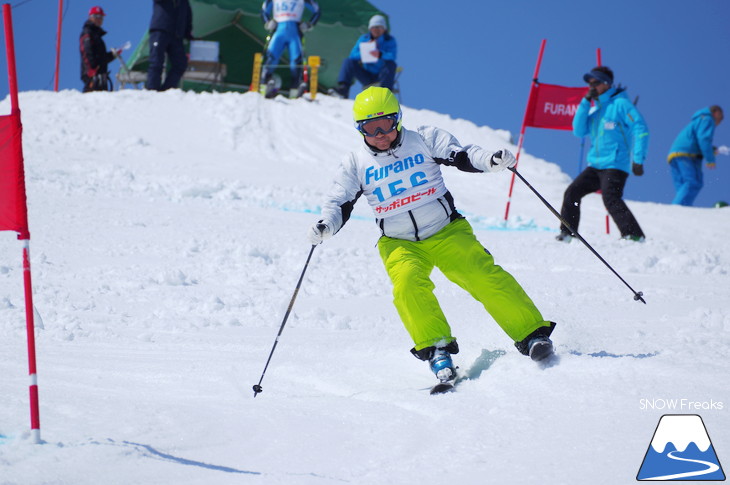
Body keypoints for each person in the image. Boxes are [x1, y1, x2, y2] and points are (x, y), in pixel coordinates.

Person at [307, 86, 557, 387]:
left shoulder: (423, 139)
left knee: (482, 274)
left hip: (446, 231)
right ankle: (437, 349)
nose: (380, 134)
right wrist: (326, 225)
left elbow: (462, 154)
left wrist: (490, 160)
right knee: (408, 287)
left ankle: (532, 334)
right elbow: (339, 203)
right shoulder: (356, 164)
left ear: (397, 120)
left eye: (385, 124)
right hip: (400, 243)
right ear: (359, 129)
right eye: (370, 128)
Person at [557, 66, 649, 243]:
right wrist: (585, 102)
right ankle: (568, 233)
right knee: (572, 192)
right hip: (595, 165)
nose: (592, 86)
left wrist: (638, 159)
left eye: (596, 82)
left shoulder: (621, 105)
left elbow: (641, 128)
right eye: (590, 83)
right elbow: (578, 130)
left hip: (615, 164)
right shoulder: (596, 109)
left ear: (606, 84)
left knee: (610, 197)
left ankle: (634, 235)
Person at [260, 0, 321, 99]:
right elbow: (264, 10)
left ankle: (295, 90)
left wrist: (309, 24)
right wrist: (267, 22)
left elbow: (317, 10)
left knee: (296, 61)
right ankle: (265, 85)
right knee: (271, 57)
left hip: (294, 32)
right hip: (278, 30)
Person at [328, 14, 397, 99]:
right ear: (370, 29)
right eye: (374, 28)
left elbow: (392, 56)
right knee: (348, 62)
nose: (376, 30)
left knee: (391, 64)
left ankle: (385, 95)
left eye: (379, 27)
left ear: (384, 29)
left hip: (381, 75)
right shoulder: (364, 39)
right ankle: (343, 89)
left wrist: (380, 54)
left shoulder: (389, 40)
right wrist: (365, 53)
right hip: (366, 75)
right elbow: (352, 55)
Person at [667, 106, 724, 206]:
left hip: (674, 154)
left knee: (682, 187)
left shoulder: (699, 120)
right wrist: (710, 159)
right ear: (715, 113)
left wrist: (712, 150)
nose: (718, 123)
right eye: (720, 118)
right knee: (694, 182)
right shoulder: (708, 119)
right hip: (687, 154)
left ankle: (679, 209)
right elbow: (704, 139)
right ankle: (678, 208)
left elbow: (698, 140)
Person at [146, 0, 193, 91]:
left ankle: (166, 91)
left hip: (176, 35)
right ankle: (152, 90)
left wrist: (188, 33)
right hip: (160, 30)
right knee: (156, 62)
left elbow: (187, 15)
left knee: (181, 64)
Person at [79, 6, 120, 92]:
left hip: (101, 75)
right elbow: (86, 52)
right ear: (91, 17)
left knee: (101, 100)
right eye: (96, 16)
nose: (99, 19)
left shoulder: (97, 36)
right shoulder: (87, 33)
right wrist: (92, 69)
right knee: (91, 99)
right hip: (92, 75)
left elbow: (101, 58)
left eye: (101, 17)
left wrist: (113, 55)